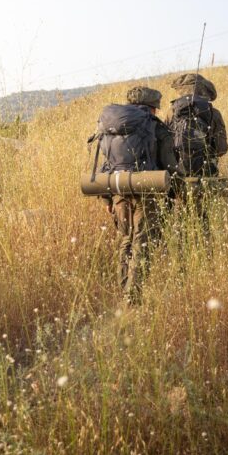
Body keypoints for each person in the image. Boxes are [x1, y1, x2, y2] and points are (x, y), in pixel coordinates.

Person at [96, 86, 176, 305]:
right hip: (146, 190)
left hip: (118, 189)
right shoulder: (153, 126)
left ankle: (124, 288)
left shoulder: (112, 126)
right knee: (142, 241)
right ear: (152, 108)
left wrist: (106, 198)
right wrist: (174, 192)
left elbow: (106, 164)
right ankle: (134, 296)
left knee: (126, 239)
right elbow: (169, 164)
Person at [165, 73, 228, 227]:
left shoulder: (171, 112)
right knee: (203, 218)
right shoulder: (214, 113)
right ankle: (202, 247)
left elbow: (165, 145)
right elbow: (221, 149)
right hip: (206, 173)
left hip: (178, 174)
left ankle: (181, 246)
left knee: (180, 218)